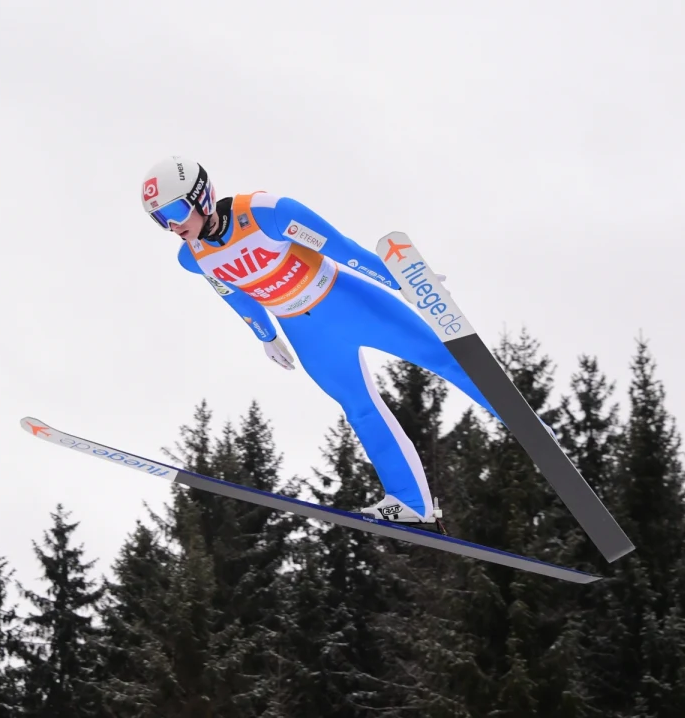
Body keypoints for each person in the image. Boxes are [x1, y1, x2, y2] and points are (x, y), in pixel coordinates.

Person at [141, 155, 503, 525]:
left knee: (444, 360)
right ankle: (410, 500)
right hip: (307, 334)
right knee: (359, 408)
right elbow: (235, 295)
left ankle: (528, 427)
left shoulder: (267, 212)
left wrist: (399, 281)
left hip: (348, 301)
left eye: (175, 211)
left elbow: (343, 249)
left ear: (201, 196)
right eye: (159, 219)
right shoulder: (193, 258)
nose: (172, 226)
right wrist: (265, 335)